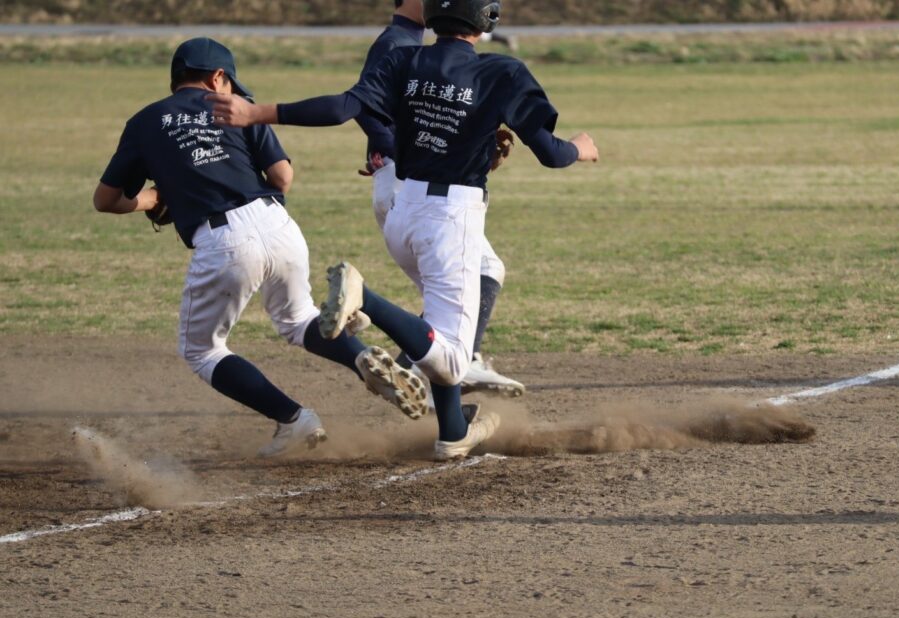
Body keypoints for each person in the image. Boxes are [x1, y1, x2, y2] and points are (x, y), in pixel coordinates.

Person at [209, 0, 599, 460]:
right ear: (486, 19)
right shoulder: (504, 72)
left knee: (437, 327)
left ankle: (452, 432)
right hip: (450, 219)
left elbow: (342, 108)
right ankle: (364, 298)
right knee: (453, 358)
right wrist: (580, 148)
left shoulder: (403, 58)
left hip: (403, 211)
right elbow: (551, 153)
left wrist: (258, 113)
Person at [93, 37, 428, 460]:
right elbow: (283, 177)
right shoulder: (240, 108)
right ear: (217, 78)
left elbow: (105, 200)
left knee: (202, 349)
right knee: (299, 319)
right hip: (278, 223)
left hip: (223, 239)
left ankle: (293, 419)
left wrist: (151, 199)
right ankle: (359, 358)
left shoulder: (145, 121)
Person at [356, 0, 526, 402]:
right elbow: (364, 107)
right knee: (485, 269)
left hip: (409, 184)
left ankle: (411, 371)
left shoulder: (412, 42)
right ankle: (445, 363)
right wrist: (393, 151)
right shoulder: (399, 43)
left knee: (453, 296)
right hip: (411, 187)